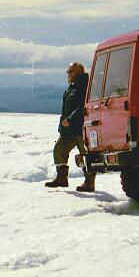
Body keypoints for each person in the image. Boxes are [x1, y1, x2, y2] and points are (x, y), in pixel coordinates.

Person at [44, 62, 95, 191]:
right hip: (68, 129)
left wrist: (71, 119)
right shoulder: (72, 87)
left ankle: (89, 182)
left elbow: (81, 106)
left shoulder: (84, 87)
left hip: (80, 128)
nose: (68, 73)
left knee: (85, 154)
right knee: (59, 149)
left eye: (70, 71)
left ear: (78, 73)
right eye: (68, 71)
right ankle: (62, 179)